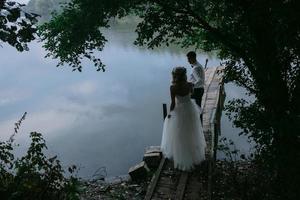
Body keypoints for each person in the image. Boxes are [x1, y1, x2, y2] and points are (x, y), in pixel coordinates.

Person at [161, 67, 206, 171]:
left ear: (174, 76)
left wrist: (170, 113)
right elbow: (192, 94)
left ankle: (183, 156)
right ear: (185, 75)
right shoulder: (190, 85)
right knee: (192, 132)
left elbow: (173, 103)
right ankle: (194, 155)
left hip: (179, 111)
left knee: (180, 135)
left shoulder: (173, 88)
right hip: (190, 109)